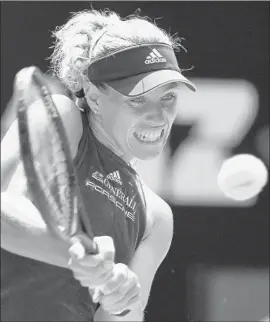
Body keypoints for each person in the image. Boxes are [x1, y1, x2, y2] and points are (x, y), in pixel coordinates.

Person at [1, 8, 196, 322]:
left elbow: (119, 318)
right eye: (137, 99)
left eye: (168, 98)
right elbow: (7, 213)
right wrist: (73, 253)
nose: (159, 117)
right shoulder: (61, 117)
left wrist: (120, 298)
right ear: (93, 97)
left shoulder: (157, 218)